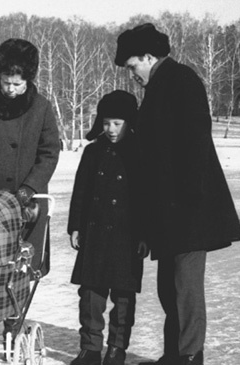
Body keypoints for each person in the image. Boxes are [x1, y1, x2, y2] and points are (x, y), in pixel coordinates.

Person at [115, 23, 240, 365]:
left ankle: (189, 356)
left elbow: (195, 139)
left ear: (148, 56)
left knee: (185, 288)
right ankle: (174, 353)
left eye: (132, 66)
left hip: (189, 208)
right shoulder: (160, 85)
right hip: (169, 210)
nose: (131, 74)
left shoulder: (180, 79)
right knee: (167, 288)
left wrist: (188, 197)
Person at [0, 38, 61, 361]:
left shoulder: (42, 108)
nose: (11, 90)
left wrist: (29, 188)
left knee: (18, 270)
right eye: (6, 82)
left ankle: (13, 333)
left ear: (28, 79)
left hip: (25, 203)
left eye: (18, 84)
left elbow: (49, 153)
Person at [67, 91, 148, 365]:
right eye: (105, 123)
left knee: (123, 296)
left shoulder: (140, 151)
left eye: (117, 123)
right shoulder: (92, 152)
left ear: (129, 122)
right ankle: (90, 348)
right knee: (91, 294)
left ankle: (116, 349)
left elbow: (147, 197)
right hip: (95, 234)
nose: (111, 130)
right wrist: (75, 226)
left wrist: (145, 236)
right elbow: (81, 192)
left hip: (127, 236)